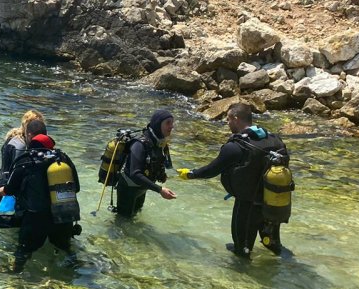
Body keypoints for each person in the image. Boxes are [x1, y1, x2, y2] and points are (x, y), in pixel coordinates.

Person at [177, 102, 291, 258]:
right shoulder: (275, 140)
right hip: (273, 203)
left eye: (228, 120)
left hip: (247, 206)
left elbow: (211, 170)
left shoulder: (237, 146)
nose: (228, 123)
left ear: (236, 118)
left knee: (241, 251)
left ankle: (244, 276)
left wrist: (190, 174)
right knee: (272, 245)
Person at [1, 122, 81, 271]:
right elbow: (76, 188)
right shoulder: (63, 158)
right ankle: (76, 272)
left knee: (23, 252)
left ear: (30, 136)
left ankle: (14, 280)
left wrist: (1, 190)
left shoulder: (26, 160)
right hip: (63, 217)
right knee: (66, 248)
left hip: (35, 219)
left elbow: (10, 189)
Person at [115, 109, 177, 217]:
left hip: (142, 189)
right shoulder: (139, 144)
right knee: (123, 222)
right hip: (128, 190)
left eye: (172, 123)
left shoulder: (159, 142)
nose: (172, 126)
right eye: (168, 123)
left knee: (136, 217)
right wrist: (160, 190)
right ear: (158, 124)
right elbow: (135, 174)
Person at [0, 109, 46, 187]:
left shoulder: (14, 137)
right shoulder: (20, 146)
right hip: (8, 187)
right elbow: (17, 173)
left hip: (2, 183)